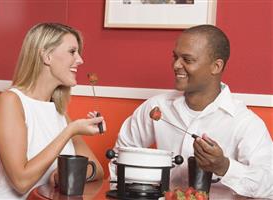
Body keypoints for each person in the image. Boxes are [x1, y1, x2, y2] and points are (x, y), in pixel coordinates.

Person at [109, 24, 273, 199]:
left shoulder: (245, 123)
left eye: (187, 60)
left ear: (216, 66)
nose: (176, 65)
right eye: (175, 57)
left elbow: (269, 186)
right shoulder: (156, 107)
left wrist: (223, 166)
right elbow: (119, 157)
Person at [0, 23, 106, 199]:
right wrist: (69, 131)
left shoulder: (59, 112)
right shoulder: (10, 102)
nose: (80, 60)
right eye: (72, 51)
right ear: (47, 56)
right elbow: (21, 182)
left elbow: (97, 169)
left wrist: (62, 175)